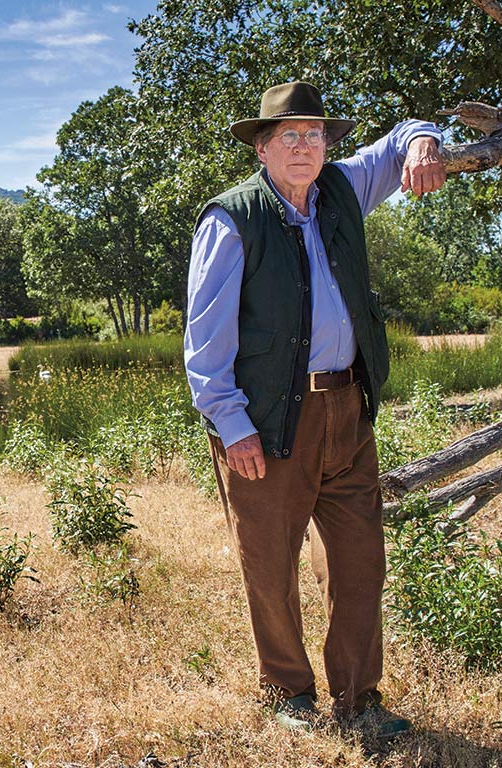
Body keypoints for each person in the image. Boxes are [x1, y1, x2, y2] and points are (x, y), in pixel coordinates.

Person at [183, 81, 446, 734]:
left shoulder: (343, 188)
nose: (303, 146)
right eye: (288, 136)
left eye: (314, 135)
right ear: (262, 149)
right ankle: (288, 693)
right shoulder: (231, 220)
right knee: (270, 566)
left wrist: (423, 142)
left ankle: (359, 700)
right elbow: (204, 343)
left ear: (327, 144)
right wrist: (232, 426)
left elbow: (404, 134)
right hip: (268, 420)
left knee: (360, 565)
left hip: (347, 409)